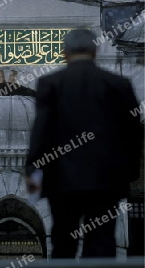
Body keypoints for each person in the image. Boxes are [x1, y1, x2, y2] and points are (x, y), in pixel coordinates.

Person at [25, 28, 142, 258]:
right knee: (101, 242)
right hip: (106, 182)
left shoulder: (51, 83)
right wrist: (129, 174)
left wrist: (32, 172)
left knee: (64, 242)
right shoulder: (118, 84)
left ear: (65, 53)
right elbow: (133, 134)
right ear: (95, 51)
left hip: (61, 181)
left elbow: (41, 133)